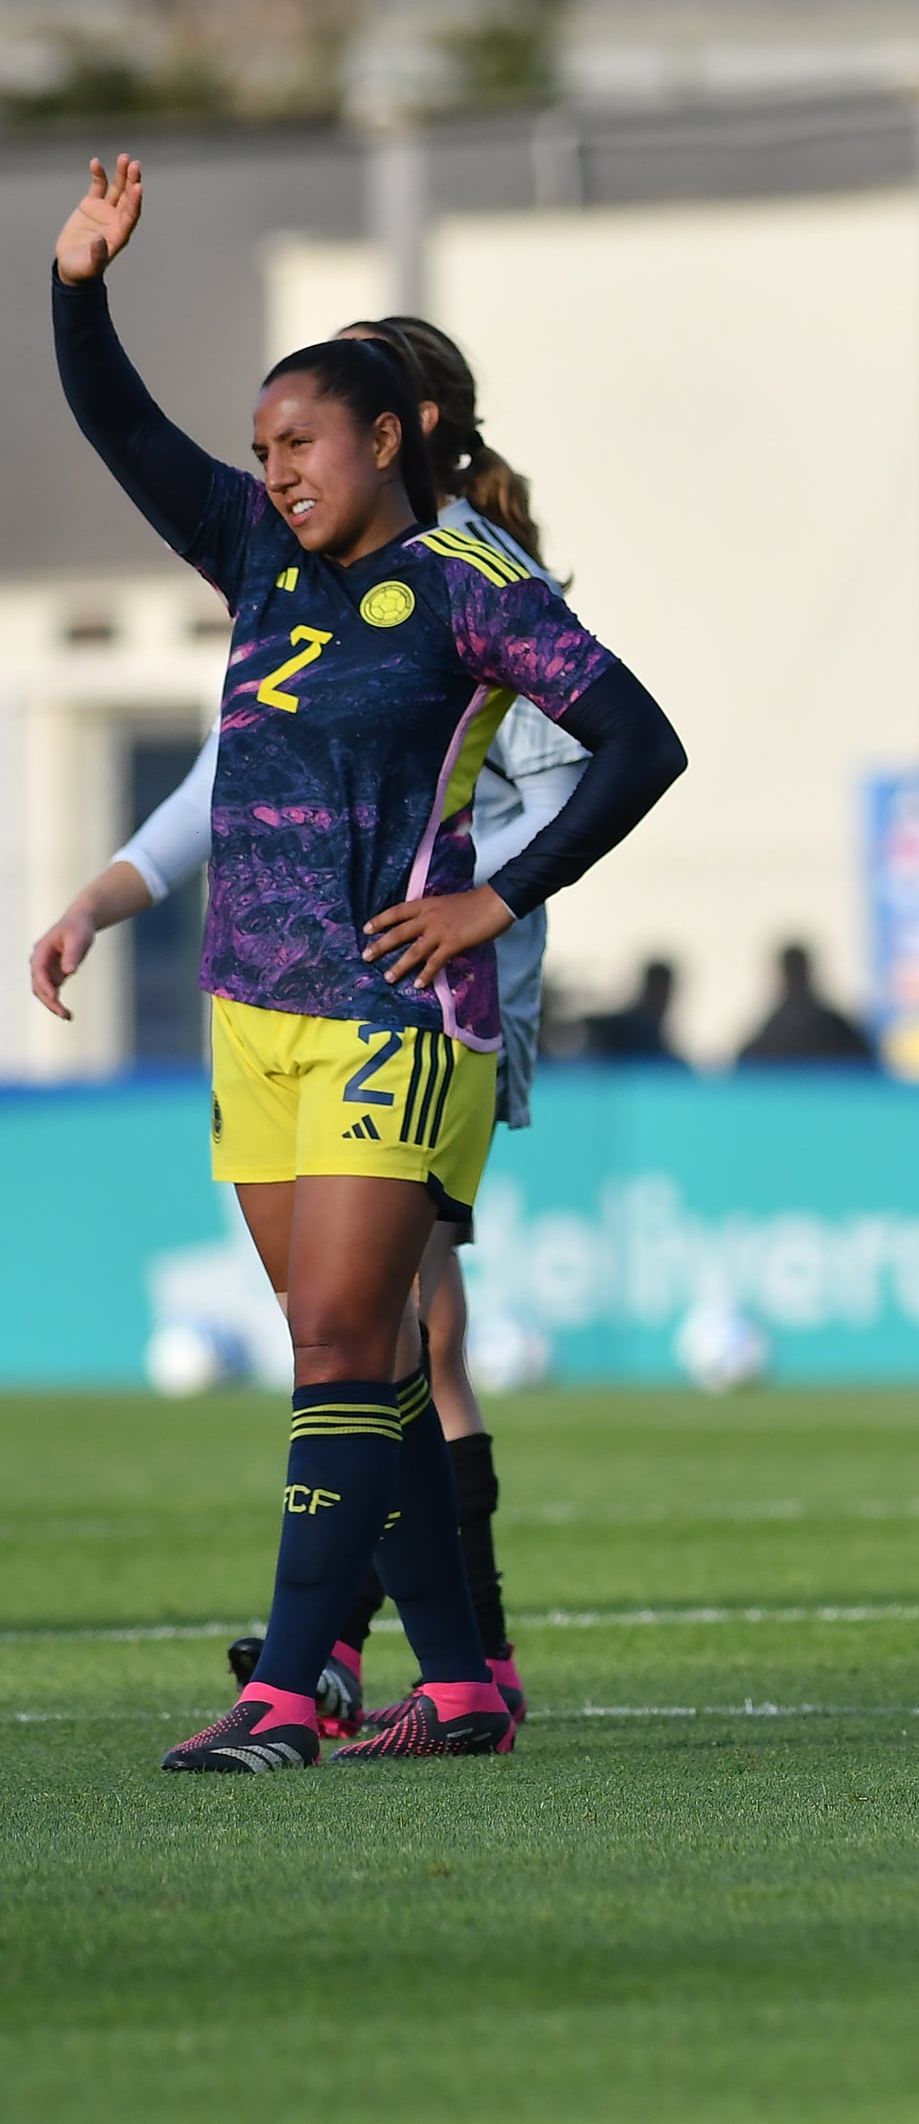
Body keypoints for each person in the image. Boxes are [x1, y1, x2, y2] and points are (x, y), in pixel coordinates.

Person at [56, 152, 684, 1772]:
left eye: (301, 444)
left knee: (349, 1346)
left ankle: (286, 1689)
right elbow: (125, 436)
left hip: (397, 1016)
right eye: (260, 449)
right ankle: (463, 1681)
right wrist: (79, 292)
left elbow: (638, 740)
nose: (273, 473)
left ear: (387, 437)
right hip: (249, 1017)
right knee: (366, 1356)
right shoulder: (259, 560)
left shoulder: (472, 583)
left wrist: (500, 897)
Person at [735, 941, 873, 1064]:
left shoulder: (769, 1033)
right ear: (810, 973)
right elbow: (869, 1063)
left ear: (781, 976)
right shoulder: (838, 1028)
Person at [581, 959, 682, 1061]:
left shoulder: (656, 1033)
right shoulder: (625, 1027)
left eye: (664, 991)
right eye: (659, 989)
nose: (662, 997)